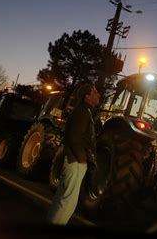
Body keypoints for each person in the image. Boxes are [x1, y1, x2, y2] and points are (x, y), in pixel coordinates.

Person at [47, 82, 100, 225]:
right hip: (75, 161)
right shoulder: (83, 111)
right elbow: (75, 137)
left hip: (74, 160)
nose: (98, 94)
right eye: (95, 92)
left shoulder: (84, 110)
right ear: (86, 96)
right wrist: (82, 160)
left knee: (63, 197)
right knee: (68, 201)